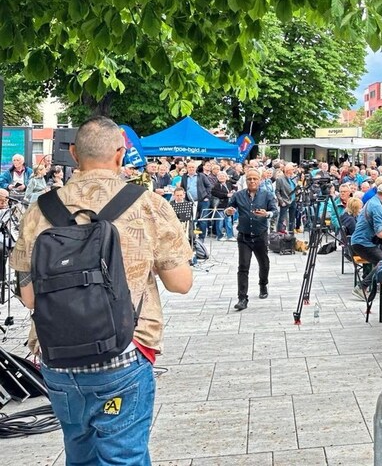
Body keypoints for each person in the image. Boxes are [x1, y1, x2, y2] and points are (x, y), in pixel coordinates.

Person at [10, 116, 193, 465]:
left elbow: (29, 297)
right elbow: (181, 284)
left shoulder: (39, 209)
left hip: (57, 358)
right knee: (124, 456)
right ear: (121, 153)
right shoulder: (148, 205)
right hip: (123, 351)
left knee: (79, 454)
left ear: (74, 153)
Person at [225, 169, 278, 310]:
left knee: (264, 263)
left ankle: (263, 284)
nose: (252, 181)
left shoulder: (267, 195)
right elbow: (228, 208)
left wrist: (267, 214)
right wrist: (228, 211)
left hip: (260, 235)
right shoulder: (238, 195)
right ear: (245, 180)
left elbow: (275, 211)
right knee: (243, 266)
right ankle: (242, 298)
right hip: (244, 236)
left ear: (260, 180)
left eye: (255, 179)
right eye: (249, 179)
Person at [350, 183, 382, 300]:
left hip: (360, 241)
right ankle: (361, 287)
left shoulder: (372, 201)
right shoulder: (377, 206)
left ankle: (378, 286)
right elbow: (380, 232)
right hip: (362, 243)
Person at [181, 161, 213, 241]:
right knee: (191, 219)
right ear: (187, 168)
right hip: (189, 201)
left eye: (193, 167)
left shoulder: (201, 176)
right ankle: (193, 236)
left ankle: (201, 237)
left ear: (196, 168)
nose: (191, 169)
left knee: (202, 220)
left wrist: (207, 196)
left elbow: (209, 186)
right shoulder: (184, 177)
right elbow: (182, 187)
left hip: (202, 201)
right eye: (189, 167)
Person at [210, 171, 236, 241]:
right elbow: (215, 193)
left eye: (223, 176)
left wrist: (233, 191)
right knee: (220, 221)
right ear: (217, 177)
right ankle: (219, 236)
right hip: (220, 205)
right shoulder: (216, 185)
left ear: (226, 177)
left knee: (228, 221)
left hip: (228, 205)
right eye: (220, 176)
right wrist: (226, 195)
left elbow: (235, 187)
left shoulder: (229, 183)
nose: (222, 177)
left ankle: (230, 236)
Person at [275, 163, 299, 233]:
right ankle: (279, 232)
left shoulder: (293, 177)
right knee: (282, 218)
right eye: (292, 170)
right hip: (285, 200)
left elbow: (294, 187)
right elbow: (277, 191)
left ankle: (291, 233)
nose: (293, 171)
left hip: (293, 200)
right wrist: (281, 201)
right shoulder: (280, 179)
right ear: (288, 170)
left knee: (292, 218)